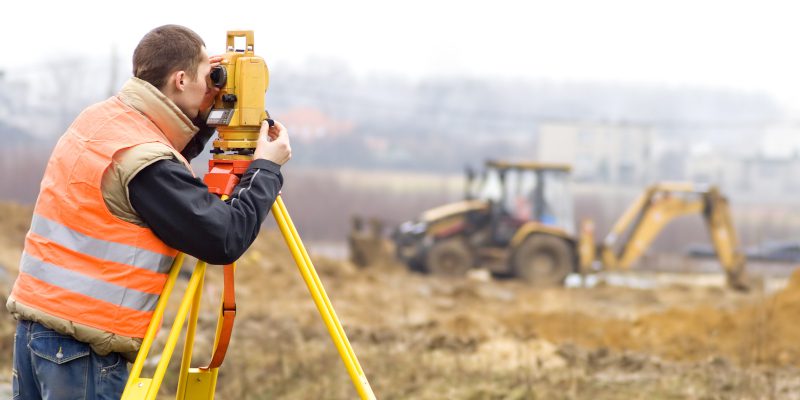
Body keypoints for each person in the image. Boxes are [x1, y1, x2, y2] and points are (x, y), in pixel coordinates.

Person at [7, 25, 291, 399]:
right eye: (208, 76)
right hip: (82, 349)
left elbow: (158, 169)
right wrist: (266, 169)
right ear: (180, 78)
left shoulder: (103, 120)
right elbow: (224, 237)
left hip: (37, 333)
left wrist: (205, 117)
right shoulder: (146, 162)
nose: (212, 86)